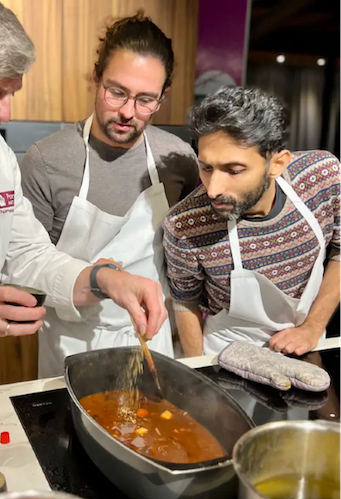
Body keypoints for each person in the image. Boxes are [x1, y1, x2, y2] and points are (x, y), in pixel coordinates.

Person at [20, 11, 198, 376]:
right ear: (96, 79)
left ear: (162, 99)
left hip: (151, 342)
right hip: (70, 344)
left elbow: (188, 258)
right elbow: (27, 269)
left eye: (145, 100)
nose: (127, 113)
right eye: (117, 92)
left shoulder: (178, 160)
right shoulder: (47, 160)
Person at [0, 3, 166, 351]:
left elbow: (27, 254)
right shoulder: (46, 159)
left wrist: (104, 280)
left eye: (11, 93)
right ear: (97, 78)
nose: (7, 113)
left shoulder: (2, 161)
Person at [163, 86, 341, 358]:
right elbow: (185, 301)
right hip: (225, 353)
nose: (213, 189)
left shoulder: (321, 178)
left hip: (307, 344)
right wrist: (200, 375)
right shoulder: (185, 224)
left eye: (234, 170)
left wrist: (312, 327)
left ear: (277, 164)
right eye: (207, 167)